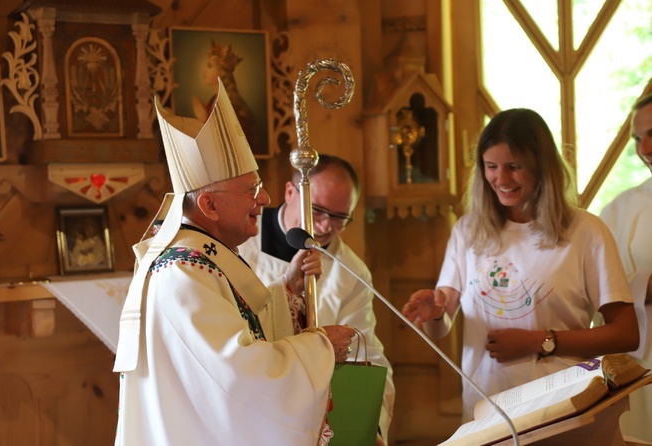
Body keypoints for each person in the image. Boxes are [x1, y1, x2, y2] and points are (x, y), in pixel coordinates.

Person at [113, 78, 356, 446]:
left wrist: (287, 291)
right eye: (250, 190)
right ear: (209, 205)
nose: (265, 198)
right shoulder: (182, 274)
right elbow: (241, 379)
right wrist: (319, 347)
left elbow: (238, 339)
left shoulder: (198, 259)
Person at [401, 108, 639, 421]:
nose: (501, 179)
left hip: (562, 408)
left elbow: (626, 334)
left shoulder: (586, 232)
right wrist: (434, 313)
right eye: (491, 167)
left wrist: (538, 342)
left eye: (514, 167)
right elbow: (441, 324)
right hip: (486, 410)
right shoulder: (467, 231)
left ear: (542, 166)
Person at [238, 154, 395, 445]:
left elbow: (367, 353)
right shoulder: (241, 242)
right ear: (289, 192)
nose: (324, 226)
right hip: (251, 405)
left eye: (340, 218)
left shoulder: (351, 272)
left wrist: (370, 422)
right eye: (317, 210)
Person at [599, 92, 652, 442]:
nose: (644, 148)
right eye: (637, 138)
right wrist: (643, 287)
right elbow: (600, 293)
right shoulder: (621, 210)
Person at [192, 40, 258, 152]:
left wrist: (204, 119)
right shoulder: (213, 101)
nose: (204, 71)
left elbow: (234, 144)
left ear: (221, 72)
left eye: (210, 66)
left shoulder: (233, 106)